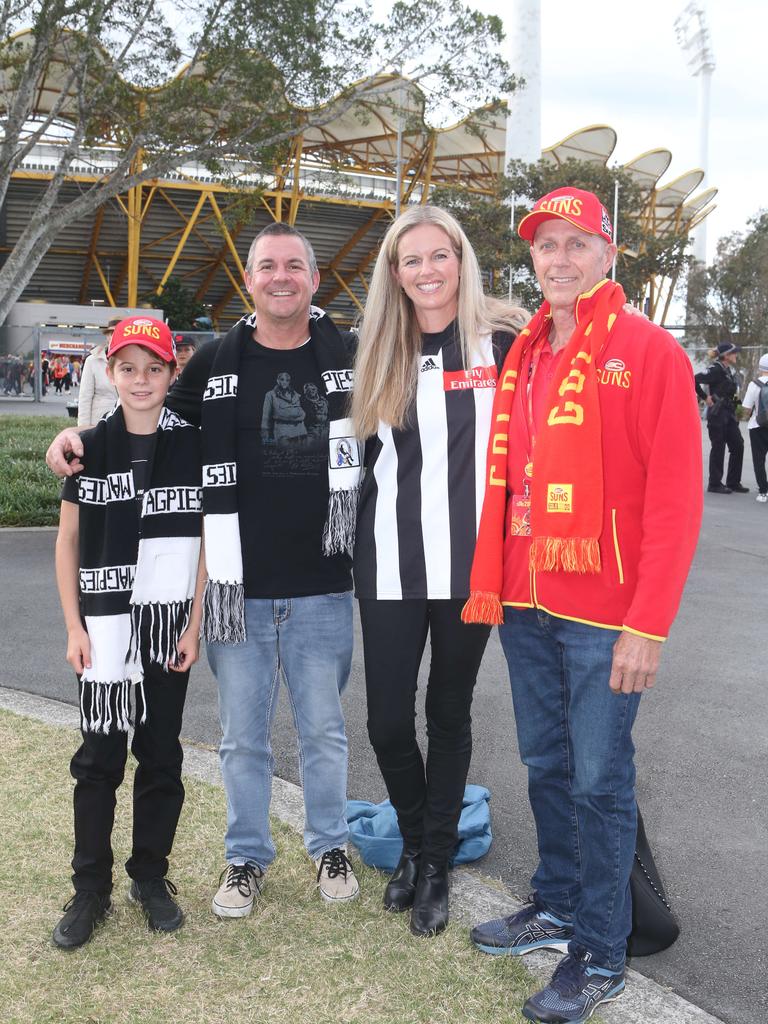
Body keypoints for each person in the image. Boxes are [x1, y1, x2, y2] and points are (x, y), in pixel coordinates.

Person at [48, 223, 361, 915]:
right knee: (241, 738)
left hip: (323, 585)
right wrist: (72, 437)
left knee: (323, 729)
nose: (281, 277)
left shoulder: (352, 354)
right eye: (266, 266)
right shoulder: (217, 362)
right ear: (249, 281)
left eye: (294, 266)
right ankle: (245, 858)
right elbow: (143, 415)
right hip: (232, 591)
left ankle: (330, 846)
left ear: (314, 279)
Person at [463, 187, 702, 1023]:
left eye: (575, 243)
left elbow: (676, 499)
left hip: (608, 615)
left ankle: (599, 950)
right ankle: (558, 901)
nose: (558, 259)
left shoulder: (646, 351)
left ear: (607, 256)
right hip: (527, 600)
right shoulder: (526, 352)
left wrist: (649, 623)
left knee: (601, 781)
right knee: (546, 765)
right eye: (544, 245)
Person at [350, 205, 527, 937]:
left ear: (460, 258)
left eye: (438, 255)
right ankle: (425, 844)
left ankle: (431, 863)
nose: (426, 271)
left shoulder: (505, 340)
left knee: (448, 714)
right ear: (395, 272)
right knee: (388, 720)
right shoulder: (375, 346)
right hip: (389, 559)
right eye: (410, 260)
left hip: (471, 567)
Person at [52, 316, 206, 950]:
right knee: (98, 761)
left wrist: (195, 623)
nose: (140, 380)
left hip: (169, 630)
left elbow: (206, 547)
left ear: (173, 373)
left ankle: (150, 877)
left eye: (154, 367)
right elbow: (66, 544)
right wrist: (73, 626)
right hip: (105, 634)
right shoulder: (87, 447)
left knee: (161, 756)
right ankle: (90, 888)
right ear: (108, 372)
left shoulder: (194, 446)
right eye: (127, 367)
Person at [694, 342, 748, 494]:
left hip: (729, 414)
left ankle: (733, 481)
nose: (736, 355)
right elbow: (694, 379)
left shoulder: (727, 370)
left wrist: (738, 410)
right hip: (717, 415)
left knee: (738, 445)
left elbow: (731, 393)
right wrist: (705, 397)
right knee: (719, 447)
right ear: (726, 355)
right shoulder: (715, 369)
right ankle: (715, 483)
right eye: (734, 352)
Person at [78, 320, 119, 427]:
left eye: (119, 333)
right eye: (111, 333)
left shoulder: (133, 360)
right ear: (107, 336)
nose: (115, 337)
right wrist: (83, 429)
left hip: (127, 423)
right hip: (98, 422)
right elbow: (85, 397)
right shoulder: (92, 360)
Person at [740, 352, 768, 502]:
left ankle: (763, 492)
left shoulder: (754, 384)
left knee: (759, 460)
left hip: (757, 426)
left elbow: (747, 409)